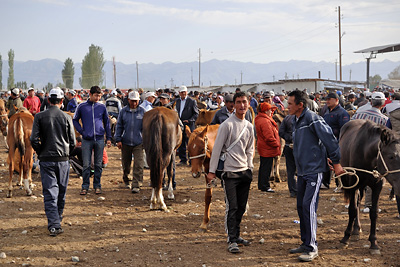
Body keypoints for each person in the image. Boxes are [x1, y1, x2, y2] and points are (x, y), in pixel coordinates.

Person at [287, 90, 344, 262]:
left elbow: (329, 139)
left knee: (308, 206)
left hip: (314, 171)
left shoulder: (312, 118)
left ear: (300, 105)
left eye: (290, 103)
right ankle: (305, 242)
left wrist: (336, 162)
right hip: (302, 171)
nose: (287, 106)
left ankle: (312, 247)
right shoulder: (296, 120)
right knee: (300, 206)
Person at [206, 91, 254, 254]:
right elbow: (217, 149)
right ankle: (231, 239)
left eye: (244, 102)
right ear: (234, 105)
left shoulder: (249, 126)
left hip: (244, 172)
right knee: (231, 207)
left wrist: (250, 167)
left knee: (241, 207)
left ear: (248, 104)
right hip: (229, 173)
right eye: (238, 102)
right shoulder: (227, 125)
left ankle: (237, 235)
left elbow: (250, 149)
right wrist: (212, 171)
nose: (242, 105)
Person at [30, 88, 76, 236]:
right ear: (62, 101)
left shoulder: (39, 116)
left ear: (48, 100)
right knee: (61, 192)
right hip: (63, 160)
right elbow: (73, 142)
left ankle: (54, 223)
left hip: (46, 159)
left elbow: (33, 139)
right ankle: (57, 219)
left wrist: (40, 150)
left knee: (50, 192)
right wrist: (67, 153)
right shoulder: (66, 117)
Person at [351, 91, 389, 213]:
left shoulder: (357, 115)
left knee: (355, 184)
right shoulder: (384, 120)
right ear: (383, 104)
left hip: (355, 156)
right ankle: (369, 205)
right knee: (375, 183)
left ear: (371, 102)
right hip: (375, 159)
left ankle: (356, 207)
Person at [73, 85, 112, 195]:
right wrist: (82, 131)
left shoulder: (102, 107)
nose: (98, 98)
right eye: (96, 96)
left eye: (99, 96)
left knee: (98, 164)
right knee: (86, 164)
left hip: (99, 139)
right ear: (90, 95)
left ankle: (97, 185)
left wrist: (108, 138)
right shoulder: (82, 106)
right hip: (87, 139)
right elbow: (75, 120)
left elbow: (107, 123)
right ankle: (85, 186)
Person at [115, 91, 145, 193]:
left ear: (138, 101)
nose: (134, 103)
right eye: (132, 101)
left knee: (139, 164)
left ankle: (137, 184)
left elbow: (146, 128)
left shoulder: (142, 112)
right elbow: (119, 126)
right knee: (126, 164)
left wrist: (145, 140)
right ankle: (127, 179)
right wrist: (118, 139)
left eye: (136, 101)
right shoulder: (123, 112)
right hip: (126, 142)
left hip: (139, 142)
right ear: (128, 100)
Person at [321, 92, 350, 190]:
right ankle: (325, 183)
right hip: (326, 143)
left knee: (338, 163)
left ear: (337, 100)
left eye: (330, 99)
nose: (327, 101)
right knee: (326, 163)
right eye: (327, 99)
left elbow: (344, 129)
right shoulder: (327, 111)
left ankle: (340, 184)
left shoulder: (342, 113)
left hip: (337, 143)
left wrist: (339, 142)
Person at [255, 102, 280, 193]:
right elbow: (269, 137)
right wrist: (276, 144)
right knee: (267, 167)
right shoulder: (265, 121)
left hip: (263, 147)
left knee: (263, 166)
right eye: (270, 110)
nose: (271, 111)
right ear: (266, 111)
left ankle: (261, 184)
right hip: (268, 148)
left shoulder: (260, 118)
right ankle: (265, 186)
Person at [175, 85, 199, 166]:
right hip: (180, 125)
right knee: (181, 143)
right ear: (179, 93)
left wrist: (189, 120)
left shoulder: (192, 101)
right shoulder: (177, 101)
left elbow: (196, 114)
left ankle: (191, 161)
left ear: (187, 92)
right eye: (181, 92)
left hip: (189, 125)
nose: (183, 93)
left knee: (190, 144)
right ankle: (183, 160)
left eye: (184, 92)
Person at [279, 114, 297, 197]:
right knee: (300, 169)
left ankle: (293, 190)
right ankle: (298, 190)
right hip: (299, 148)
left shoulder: (287, 118)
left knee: (291, 170)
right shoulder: (306, 118)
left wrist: (289, 138)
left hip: (289, 146)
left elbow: (281, 132)